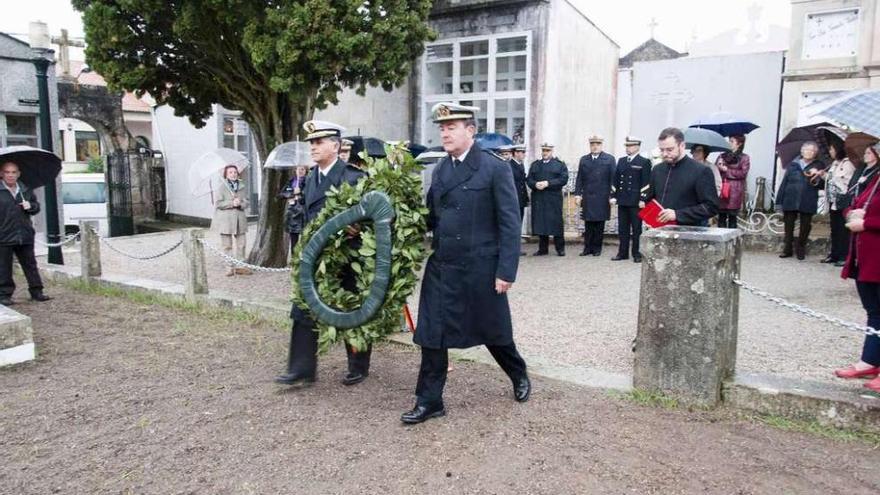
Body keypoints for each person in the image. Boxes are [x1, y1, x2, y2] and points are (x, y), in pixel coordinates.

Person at [401, 102, 529, 424]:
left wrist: (505, 271)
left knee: (494, 333)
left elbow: (510, 224)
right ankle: (430, 401)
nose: (444, 133)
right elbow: (431, 217)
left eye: (452, 127)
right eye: (442, 128)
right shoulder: (441, 169)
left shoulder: (495, 168)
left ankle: (518, 373)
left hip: (481, 269)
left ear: (470, 131)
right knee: (431, 335)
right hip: (444, 267)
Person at [275, 120, 372, 387]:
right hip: (316, 260)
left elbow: (376, 216)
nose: (313, 147)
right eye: (312, 143)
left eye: (319, 142)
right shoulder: (309, 179)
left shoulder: (354, 177)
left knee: (352, 311)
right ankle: (302, 368)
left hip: (347, 259)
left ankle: (358, 365)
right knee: (303, 310)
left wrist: (358, 228)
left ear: (335, 145)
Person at [835, 143, 880, 393]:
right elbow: (857, 203)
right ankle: (870, 360)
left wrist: (867, 223)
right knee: (874, 310)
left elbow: (871, 218)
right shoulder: (872, 178)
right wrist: (854, 213)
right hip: (868, 257)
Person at [644, 128, 719, 226]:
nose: (665, 154)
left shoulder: (701, 171)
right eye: (662, 150)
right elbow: (650, 200)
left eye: (670, 150)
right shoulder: (657, 169)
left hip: (688, 234)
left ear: (682, 146)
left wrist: (677, 214)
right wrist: (650, 218)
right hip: (659, 231)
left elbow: (711, 207)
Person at [0, 161, 51, 306]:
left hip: (25, 234)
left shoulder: (25, 190)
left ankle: (37, 291)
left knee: (30, 264)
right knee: (4, 267)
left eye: (13, 172)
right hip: (4, 235)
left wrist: (30, 206)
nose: (10, 175)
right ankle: (4, 294)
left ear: (18, 174)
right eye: (7, 172)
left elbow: (36, 208)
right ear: (2, 174)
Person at [775, 141, 826, 260]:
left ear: (815, 153)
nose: (809, 152)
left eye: (812, 150)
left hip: (808, 198)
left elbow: (822, 185)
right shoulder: (793, 165)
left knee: (805, 226)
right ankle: (787, 248)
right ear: (802, 152)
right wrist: (779, 201)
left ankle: (801, 247)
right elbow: (784, 182)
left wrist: (818, 176)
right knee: (788, 225)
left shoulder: (819, 165)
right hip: (790, 198)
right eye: (807, 150)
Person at [610, 136, 651, 262]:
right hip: (622, 199)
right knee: (623, 228)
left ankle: (636, 253)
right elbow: (615, 179)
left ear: (637, 147)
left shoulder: (644, 161)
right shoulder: (621, 161)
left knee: (636, 229)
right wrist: (613, 195)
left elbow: (646, 182)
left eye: (631, 146)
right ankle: (622, 253)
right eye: (627, 146)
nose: (628, 148)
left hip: (635, 201)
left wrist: (643, 199)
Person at [574, 135, 615, 257]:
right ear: (590, 146)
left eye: (597, 144)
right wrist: (577, 194)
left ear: (601, 145)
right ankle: (587, 248)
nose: (595, 146)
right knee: (588, 223)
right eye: (592, 144)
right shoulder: (584, 159)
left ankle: (597, 248)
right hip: (588, 196)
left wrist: (613, 195)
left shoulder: (609, 159)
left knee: (599, 224)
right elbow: (579, 178)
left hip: (602, 196)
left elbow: (613, 179)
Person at [527, 143, 569, 256]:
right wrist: (535, 184)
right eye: (544, 150)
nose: (545, 153)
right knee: (541, 223)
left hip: (553, 198)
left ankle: (560, 248)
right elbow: (529, 179)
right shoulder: (535, 165)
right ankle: (543, 249)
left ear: (552, 151)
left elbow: (563, 179)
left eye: (548, 150)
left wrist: (548, 183)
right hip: (539, 198)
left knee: (556, 223)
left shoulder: (559, 165)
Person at [821, 139, 856, 266]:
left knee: (842, 229)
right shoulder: (835, 163)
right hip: (832, 199)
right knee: (834, 228)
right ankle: (834, 254)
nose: (830, 151)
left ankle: (843, 255)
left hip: (843, 200)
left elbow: (844, 180)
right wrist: (824, 175)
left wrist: (829, 176)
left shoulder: (848, 163)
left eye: (832, 149)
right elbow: (831, 178)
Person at [213, 165, 251, 276]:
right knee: (227, 245)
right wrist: (231, 203)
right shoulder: (222, 187)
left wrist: (241, 204)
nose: (233, 174)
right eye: (230, 172)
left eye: (235, 172)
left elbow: (247, 201)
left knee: (242, 244)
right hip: (226, 220)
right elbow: (218, 204)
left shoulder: (242, 186)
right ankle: (229, 267)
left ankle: (240, 266)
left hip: (240, 219)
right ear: (226, 175)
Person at [715, 135, 751, 228]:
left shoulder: (744, 158)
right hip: (723, 190)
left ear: (739, 144)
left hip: (734, 191)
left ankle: (733, 241)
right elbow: (715, 171)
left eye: (732, 141)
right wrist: (718, 166)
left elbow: (743, 173)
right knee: (721, 217)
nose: (729, 143)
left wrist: (726, 170)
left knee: (732, 218)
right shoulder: (722, 156)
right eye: (729, 141)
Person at [280, 164, 308, 254]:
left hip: (304, 214)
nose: (300, 171)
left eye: (302, 169)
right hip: (292, 214)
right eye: (298, 169)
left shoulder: (308, 181)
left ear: (306, 171)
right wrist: (292, 193)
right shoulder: (291, 181)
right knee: (294, 241)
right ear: (295, 170)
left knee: (305, 240)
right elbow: (282, 194)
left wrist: (300, 193)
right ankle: (294, 261)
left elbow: (310, 195)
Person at [509, 144, 530, 255]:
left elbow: (522, 184)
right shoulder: (509, 165)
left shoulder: (520, 165)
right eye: (522, 153)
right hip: (513, 200)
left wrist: (526, 198)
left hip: (520, 200)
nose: (524, 155)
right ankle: (512, 249)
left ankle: (516, 248)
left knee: (518, 224)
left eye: (524, 153)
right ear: (515, 153)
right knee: (513, 224)